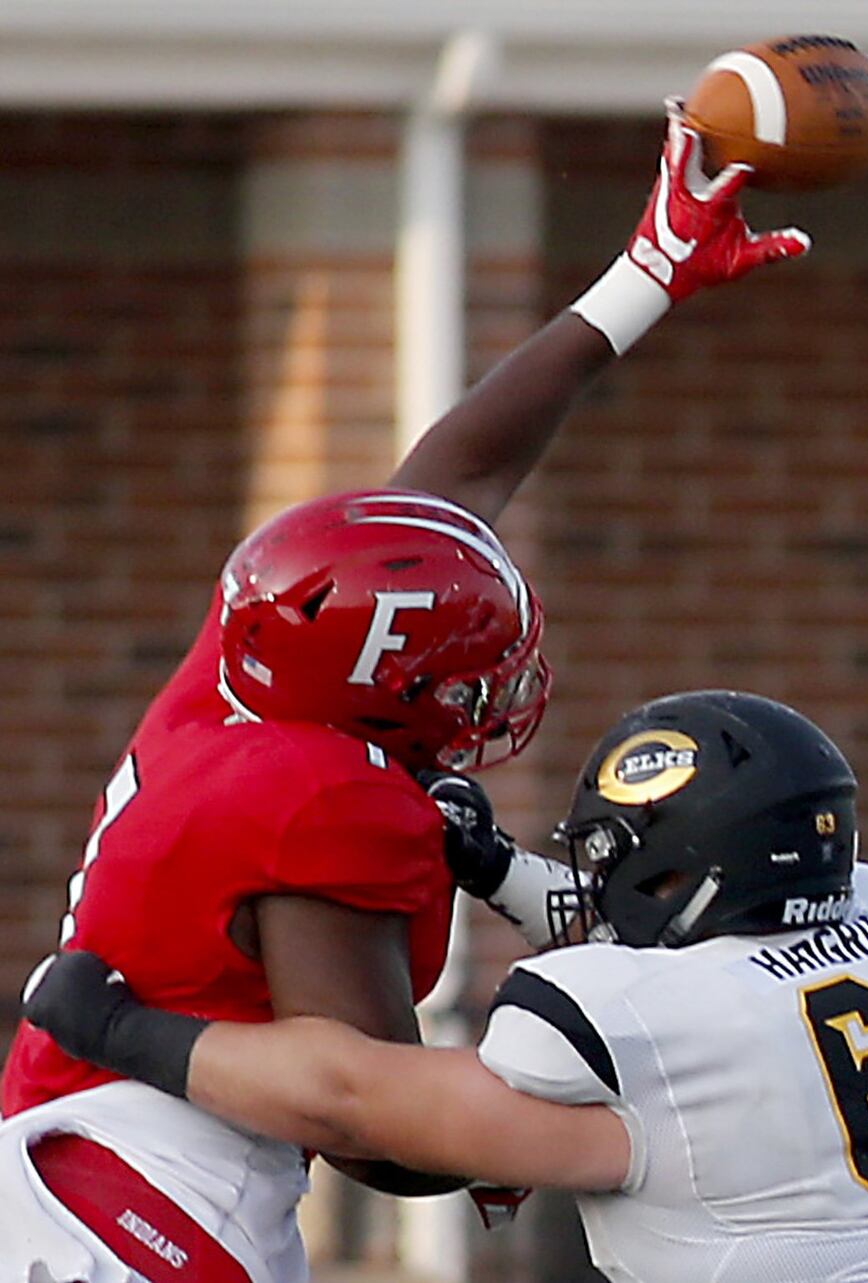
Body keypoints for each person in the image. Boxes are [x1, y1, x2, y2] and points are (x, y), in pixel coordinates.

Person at [0, 103, 809, 1283]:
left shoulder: (237, 676)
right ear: (383, 691)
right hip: (161, 1192)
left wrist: (644, 278)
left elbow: (452, 481)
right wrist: (555, 1113)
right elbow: (373, 1117)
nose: (490, 691)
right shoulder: (327, 799)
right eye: (463, 672)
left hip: (73, 1158)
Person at [25, 691, 868, 1283]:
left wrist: (124, 1027)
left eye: (620, 859)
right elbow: (692, 929)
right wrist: (494, 866)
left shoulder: (643, 1023)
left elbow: (356, 1094)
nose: (600, 885)